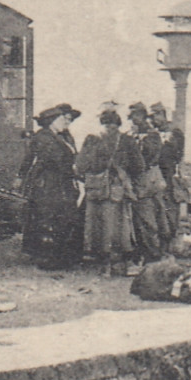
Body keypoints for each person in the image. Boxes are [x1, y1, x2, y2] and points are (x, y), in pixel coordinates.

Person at [75, 107, 142, 276]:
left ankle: (102, 264)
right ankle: (118, 264)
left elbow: (80, 165)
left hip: (95, 190)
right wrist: (123, 172)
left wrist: (93, 173)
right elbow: (139, 166)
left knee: (96, 226)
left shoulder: (91, 139)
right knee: (118, 227)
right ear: (118, 124)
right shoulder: (126, 140)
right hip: (116, 190)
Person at [17, 102, 81, 270]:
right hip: (49, 183)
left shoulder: (63, 136)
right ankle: (47, 257)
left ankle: (59, 255)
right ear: (52, 121)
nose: (66, 122)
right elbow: (52, 159)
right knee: (48, 217)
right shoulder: (44, 137)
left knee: (63, 217)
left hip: (63, 182)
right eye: (62, 119)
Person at [126, 102, 170, 266]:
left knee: (149, 219)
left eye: (135, 117)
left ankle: (153, 254)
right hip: (143, 181)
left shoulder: (151, 136)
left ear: (143, 117)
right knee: (142, 219)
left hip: (147, 181)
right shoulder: (133, 135)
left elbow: (145, 159)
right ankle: (147, 252)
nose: (133, 121)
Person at [148, 101, 188, 228]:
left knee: (169, 211)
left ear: (163, 115)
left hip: (168, 176)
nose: (153, 120)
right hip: (154, 176)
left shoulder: (175, 133)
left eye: (155, 116)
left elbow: (178, 155)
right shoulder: (152, 134)